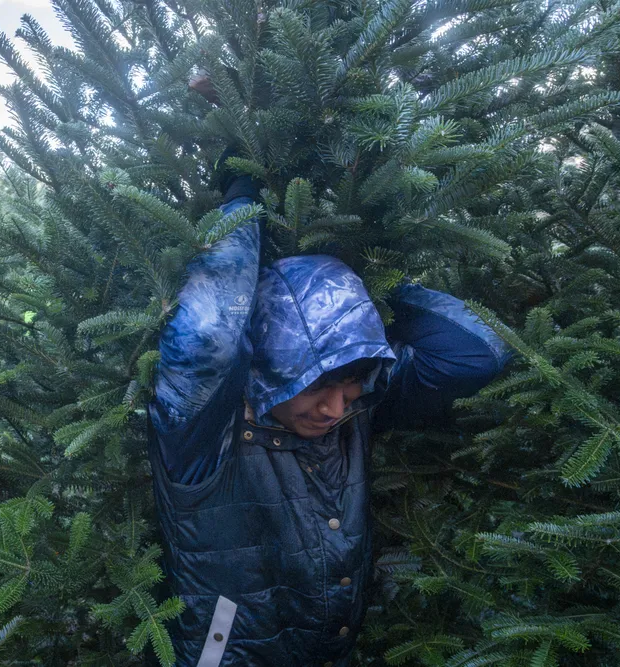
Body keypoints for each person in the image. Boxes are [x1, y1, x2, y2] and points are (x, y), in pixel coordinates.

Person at [146, 165, 512, 666]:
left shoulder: (355, 405)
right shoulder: (205, 429)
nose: (338, 408)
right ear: (269, 367)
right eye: (316, 386)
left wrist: (365, 281)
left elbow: (477, 353)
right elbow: (208, 330)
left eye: (352, 384)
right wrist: (241, 188)